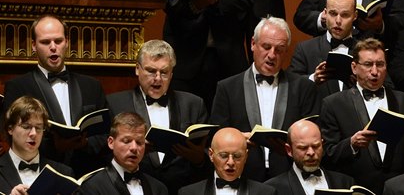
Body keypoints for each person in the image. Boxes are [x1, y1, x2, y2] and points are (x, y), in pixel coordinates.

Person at [211, 17, 320, 182]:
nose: (272, 55)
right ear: (253, 44)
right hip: (243, 178)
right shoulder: (227, 88)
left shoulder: (304, 87)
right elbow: (216, 138)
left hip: (290, 180)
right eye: (266, 47)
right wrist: (237, 140)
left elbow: (314, 137)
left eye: (279, 49)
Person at [2, 14, 108, 175]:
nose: (53, 47)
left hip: (88, 175)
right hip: (41, 175)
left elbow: (107, 133)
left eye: (58, 41)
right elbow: (13, 138)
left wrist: (85, 143)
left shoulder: (92, 86)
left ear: (66, 42)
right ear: (34, 45)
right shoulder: (18, 87)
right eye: (45, 42)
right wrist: (56, 147)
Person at [107, 39, 210, 194]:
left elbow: (208, 156)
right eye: (151, 71)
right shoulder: (115, 103)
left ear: (172, 73)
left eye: (164, 72)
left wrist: (199, 159)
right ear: (137, 69)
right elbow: (103, 152)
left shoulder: (194, 104)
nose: (157, 78)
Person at [319, 38, 404, 194]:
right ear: (354, 67)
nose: (374, 71)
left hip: (400, 189)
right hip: (357, 188)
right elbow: (326, 154)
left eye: (380, 64)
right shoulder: (333, 104)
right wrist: (351, 144)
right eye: (368, 65)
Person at [288, 0, 358, 100]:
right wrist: (313, 79)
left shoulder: (366, 52)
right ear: (325, 13)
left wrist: (364, 83)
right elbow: (289, 89)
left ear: (355, 16)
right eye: (333, 13)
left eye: (345, 15)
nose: (338, 21)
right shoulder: (305, 50)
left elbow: (387, 89)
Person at [78, 112, 168, 195]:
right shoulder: (92, 187)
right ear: (111, 142)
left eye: (139, 142)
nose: (134, 148)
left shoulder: (159, 188)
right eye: (126, 141)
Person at [0, 96, 74, 194]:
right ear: (10, 129)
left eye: (39, 128)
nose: (34, 133)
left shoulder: (63, 173)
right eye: (26, 127)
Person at [265, 120, 354, 195]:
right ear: (289, 150)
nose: (311, 153)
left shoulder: (345, 183)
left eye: (316, 146)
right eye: (303, 148)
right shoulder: (273, 189)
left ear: (322, 145)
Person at [178, 127, 276, 195]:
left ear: (246, 156)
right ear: (211, 155)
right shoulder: (188, 193)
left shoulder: (266, 193)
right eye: (224, 156)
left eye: (237, 156)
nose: (231, 162)